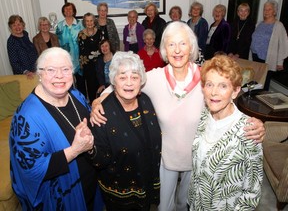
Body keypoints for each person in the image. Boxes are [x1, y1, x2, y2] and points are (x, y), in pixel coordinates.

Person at [90, 21, 265, 211]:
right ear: (164, 48)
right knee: (164, 207)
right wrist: (98, 101)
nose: (177, 50)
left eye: (183, 43)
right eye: (171, 44)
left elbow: (226, 99)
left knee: (186, 204)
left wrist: (252, 123)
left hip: (199, 158)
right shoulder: (154, 78)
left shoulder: (205, 78)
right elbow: (122, 83)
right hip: (165, 159)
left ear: (191, 47)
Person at [9, 47, 102, 210]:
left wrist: (96, 105)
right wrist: (74, 150)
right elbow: (32, 170)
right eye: (51, 70)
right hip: (62, 198)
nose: (59, 76)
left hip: (90, 186)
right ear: (39, 74)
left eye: (65, 69)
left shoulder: (75, 95)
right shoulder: (26, 117)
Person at [187, 55, 263, 210]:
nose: (214, 92)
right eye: (209, 84)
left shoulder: (249, 131)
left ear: (235, 91)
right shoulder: (203, 117)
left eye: (223, 86)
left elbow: (252, 193)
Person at [89, 51, 162, 211]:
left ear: (141, 81)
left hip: (146, 184)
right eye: (122, 77)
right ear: (113, 81)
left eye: (134, 77)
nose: (129, 83)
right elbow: (99, 160)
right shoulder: (102, 112)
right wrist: (88, 146)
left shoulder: (146, 101)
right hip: (120, 193)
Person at [251, 0, 288, 90]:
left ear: (274, 11)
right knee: (255, 80)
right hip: (255, 56)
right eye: (265, 9)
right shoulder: (259, 23)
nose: (266, 11)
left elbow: (283, 44)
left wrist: (280, 62)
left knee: (264, 83)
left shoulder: (278, 25)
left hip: (267, 59)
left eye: (269, 9)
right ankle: (253, 100)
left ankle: (261, 100)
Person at [56, 2, 86, 97]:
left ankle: (83, 101)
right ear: (63, 12)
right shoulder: (60, 26)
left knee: (81, 82)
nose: (68, 11)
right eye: (66, 9)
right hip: (65, 59)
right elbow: (57, 42)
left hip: (79, 57)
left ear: (74, 11)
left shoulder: (80, 24)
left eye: (70, 9)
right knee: (67, 82)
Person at [78, 12, 101, 103]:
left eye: (91, 20)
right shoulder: (81, 34)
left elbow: (103, 47)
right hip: (87, 65)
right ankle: (92, 105)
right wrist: (82, 65)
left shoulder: (100, 32)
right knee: (90, 87)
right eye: (87, 21)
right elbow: (81, 51)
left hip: (99, 63)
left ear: (94, 21)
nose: (89, 23)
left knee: (100, 85)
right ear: (84, 22)